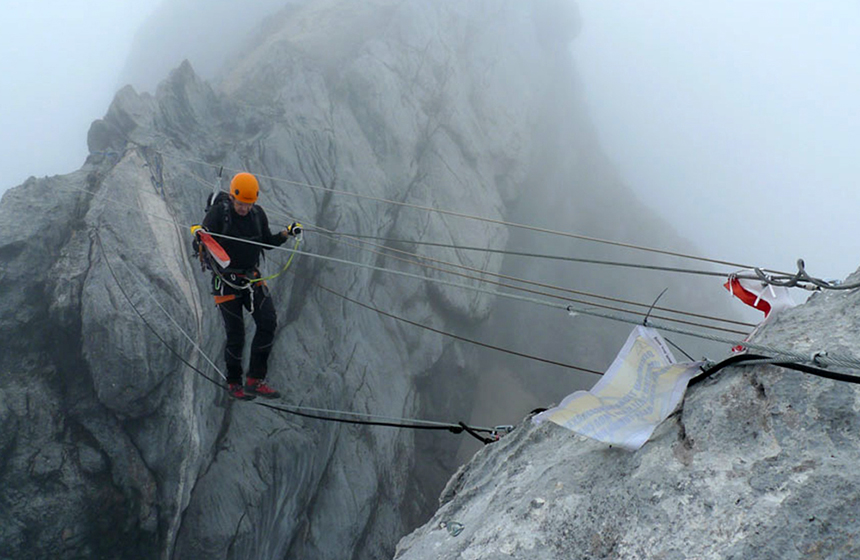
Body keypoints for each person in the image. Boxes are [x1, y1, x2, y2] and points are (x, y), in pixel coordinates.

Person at [199, 172, 299, 400]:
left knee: (267, 322)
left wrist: (286, 233)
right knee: (236, 335)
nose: (244, 208)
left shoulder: (256, 214)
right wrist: (197, 233)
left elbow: (266, 242)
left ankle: (255, 379)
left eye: (248, 204)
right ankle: (234, 382)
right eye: (240, 203)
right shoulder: (218, 214)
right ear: (232, 198)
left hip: (250, 278)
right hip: (225, 281)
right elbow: (203, 241)